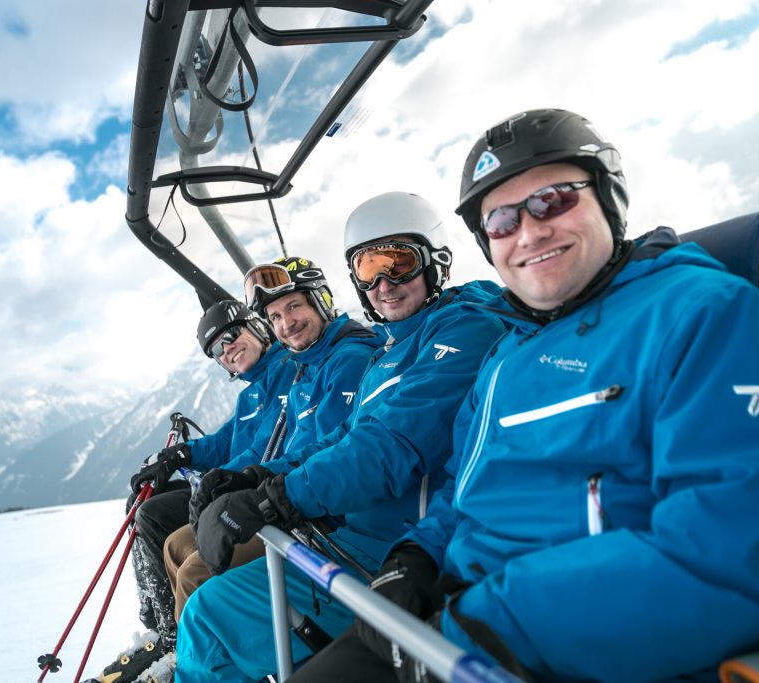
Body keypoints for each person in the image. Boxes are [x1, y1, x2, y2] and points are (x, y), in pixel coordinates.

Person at [290, 108, 759, 683]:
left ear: (608, 197)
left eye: (553, 200)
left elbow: (734, 555)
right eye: (500, 221)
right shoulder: (509, 352)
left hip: (572, 648)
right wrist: (417, 556)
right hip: (464, 613)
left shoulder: (702, 315)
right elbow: (468, 486)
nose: (529, 232)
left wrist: (485, 627)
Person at [173, 192, 514, 683]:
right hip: (346, 537)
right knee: (206, 615)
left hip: (394, 555)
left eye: (398, 263)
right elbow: (343, 436)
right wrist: (257, 475)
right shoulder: (387, 353)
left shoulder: (462, 332)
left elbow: (387, 449)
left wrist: (276, 499)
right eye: (368, 268)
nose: (383, 283)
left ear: (435, 262)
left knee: (210, 612)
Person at [159, 255, 383, 626]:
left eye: (294, 306)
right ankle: (181, 643)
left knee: (195, 572)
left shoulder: (348, 360)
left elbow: (336, 450)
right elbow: (251, 444)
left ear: (322, 301)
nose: (287, 322)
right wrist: (232, 475)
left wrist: (258, 484)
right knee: (177, 544)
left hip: (321, 515)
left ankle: (201, 655)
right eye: (275, 316)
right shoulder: (305, 369)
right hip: (291, 496)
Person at [81, 300, 293, 683]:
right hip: (240, 485)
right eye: (217, 349)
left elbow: (260, 453)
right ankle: (166, 630)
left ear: (259, 328)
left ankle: (182, 646)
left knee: (160, 519)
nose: (227, 349)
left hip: (257, 492)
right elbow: (224, 442)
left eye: (231, 335)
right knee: (150, 512)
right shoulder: (252, 392)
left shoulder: (286, 372)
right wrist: (179, 456)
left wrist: (214, 478)